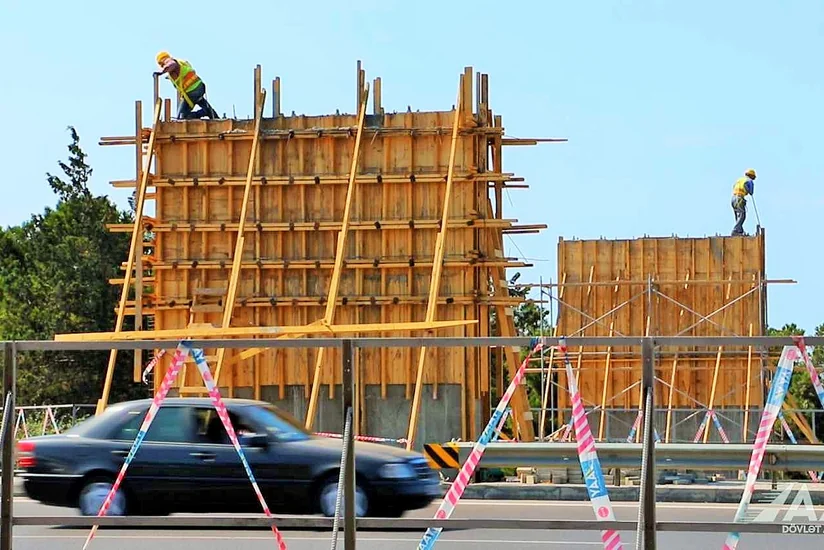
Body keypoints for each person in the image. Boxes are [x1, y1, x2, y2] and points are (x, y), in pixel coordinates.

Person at [154, 51, 219, 120]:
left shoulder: (168, 61)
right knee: (199, 100)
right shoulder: (181, 62)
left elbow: (171, 64)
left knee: (181, 118)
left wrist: (161, 72)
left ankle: (204, 112)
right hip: (199, 87)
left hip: (192, 91)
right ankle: (213, 115)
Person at [731, 168, 756, 236]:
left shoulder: (739, 180)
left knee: (738, 216)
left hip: (733, 198)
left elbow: (733, 187)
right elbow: (751, 192)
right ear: (752, 176)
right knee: (742, 215)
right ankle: (735, 231)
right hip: (739, 198)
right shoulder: (749, 181)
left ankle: (740, 231)